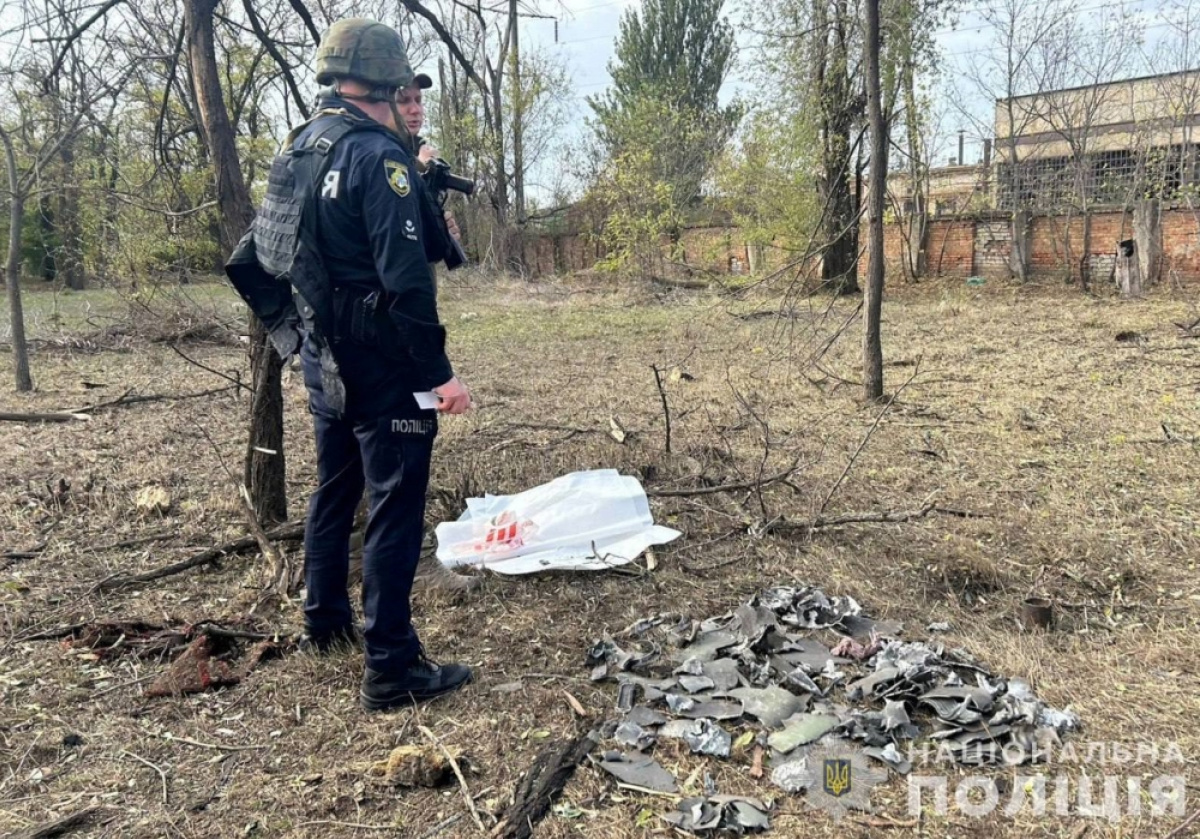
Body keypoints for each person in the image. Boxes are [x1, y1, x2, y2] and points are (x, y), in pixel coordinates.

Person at [225, 18, 472, 711]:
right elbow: (407, 284)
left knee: (334, 489)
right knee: (394, 506)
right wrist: (438, 375)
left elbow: (255, 260)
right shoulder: (375, 158)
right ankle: (392, 667)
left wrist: (294, 339)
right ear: (389, 83)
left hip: (323, 364)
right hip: (381, 367)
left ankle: (323, 620)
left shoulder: (301, 148)